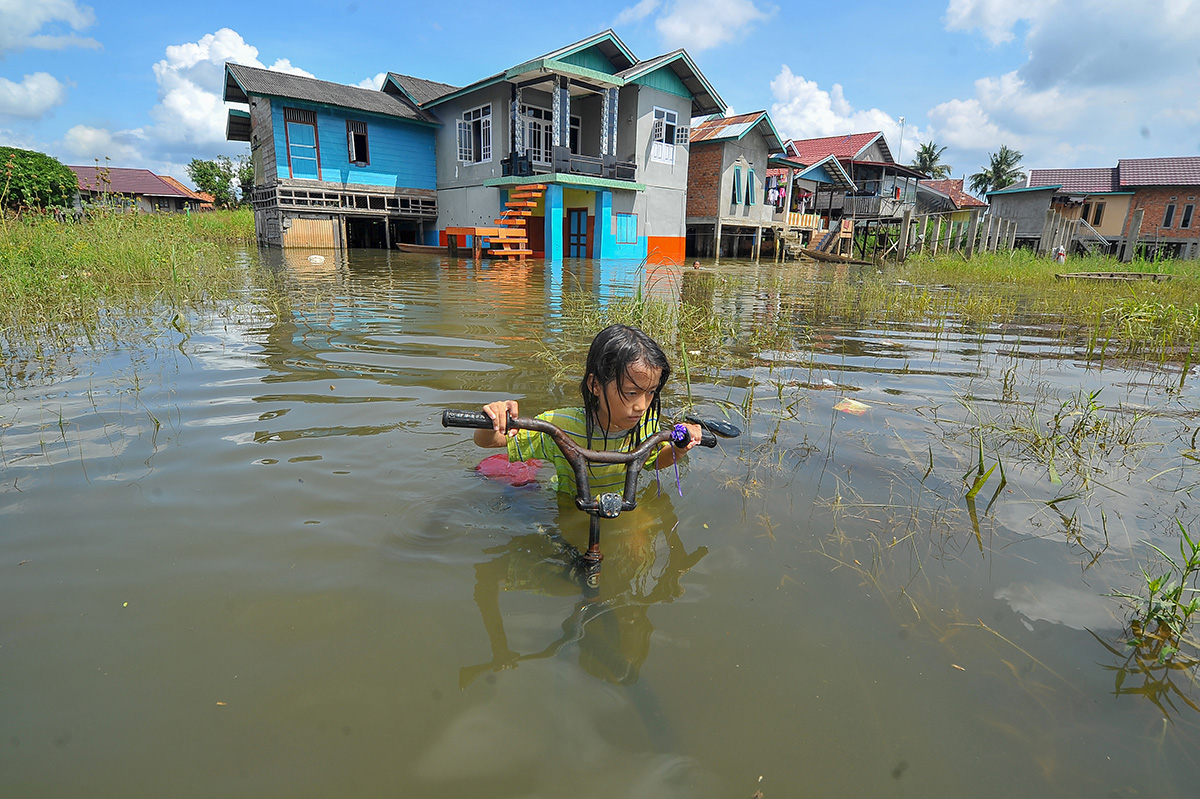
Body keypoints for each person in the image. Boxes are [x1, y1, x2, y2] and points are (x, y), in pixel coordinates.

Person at [475, 324, 702, 495]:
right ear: (595, 385)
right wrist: (495, 419)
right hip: (570, 504)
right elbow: (486, 441)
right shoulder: (559, 426)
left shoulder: (646, 424)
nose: (642, 406)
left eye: (651, 392)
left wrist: (679, 448)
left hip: (620, 502)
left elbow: (653, 462)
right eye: (631, 393)